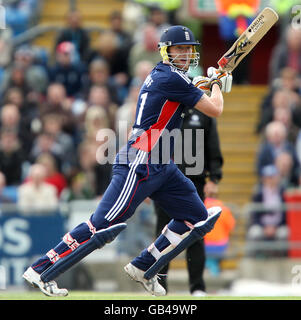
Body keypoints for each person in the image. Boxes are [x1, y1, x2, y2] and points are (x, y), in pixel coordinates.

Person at [22, 25, 232, 297]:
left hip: (161, 165)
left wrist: (209, 82)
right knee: (102, 226)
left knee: (197, 218)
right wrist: (216, 83)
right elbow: (214, 108)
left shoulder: (168, 77)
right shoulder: (170, 78)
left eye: (188, 49)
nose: (185, 54)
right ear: (166, 52)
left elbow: (189, 92)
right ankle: (41, 269)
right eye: (179, 49)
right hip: (141, 161)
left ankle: (144, 266)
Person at [154, 108, 224, 296]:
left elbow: (212, 144)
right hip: (164, 182)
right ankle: (159, 286)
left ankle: (198, 287)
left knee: (196, 234)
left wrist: (214, 178)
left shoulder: (203, 112)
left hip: (194, 181)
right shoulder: (165, 108)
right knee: (163, 234)